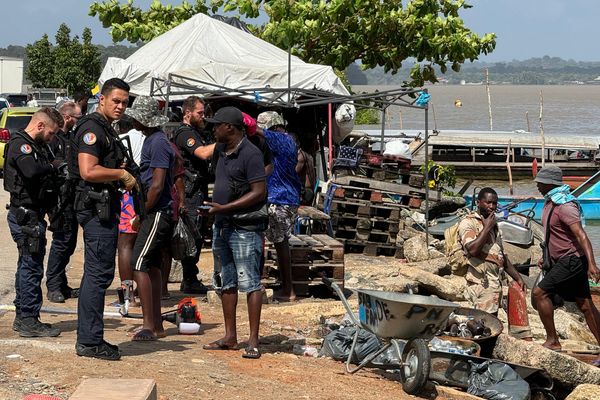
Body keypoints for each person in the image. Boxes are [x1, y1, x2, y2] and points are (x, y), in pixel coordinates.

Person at [70, 78, 137, 360]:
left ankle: (91, 337)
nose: (121, 106)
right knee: (97, 276)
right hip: (95, 208)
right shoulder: (91, 128)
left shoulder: (105, 128)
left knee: (98, 274)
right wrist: (119, 175)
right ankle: (89, 341)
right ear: (103, 100)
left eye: (125, 102)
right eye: (116, 101)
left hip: (104, 207)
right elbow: (88, 170)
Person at [203, 106, 266, 359]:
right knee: (225, 281)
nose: (213, 128)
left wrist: (225, 207)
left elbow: (259, 191)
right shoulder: (220, 150)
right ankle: (230, 336)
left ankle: (253, 340)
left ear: (229, 127)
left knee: (250, 283)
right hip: (222, 224)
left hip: (244, 227)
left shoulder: (251, 153)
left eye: (216, 124)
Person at [5, 107, 63, 337]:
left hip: (33, 213)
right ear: (40, 125)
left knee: (28, 266)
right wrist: (52, 167)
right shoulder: (21, 144)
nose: (52, 138)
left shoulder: (38, 146)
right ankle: (28, 319)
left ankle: (25, 316)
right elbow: (30, 171)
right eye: (50, 133)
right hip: (25, 215)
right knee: (31, 268)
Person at [532, 166, 600, 359]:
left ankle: (553, 340)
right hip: (561, 260)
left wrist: (592, 264)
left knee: (540, 293)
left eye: (540, 182)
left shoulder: (565, 206)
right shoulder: (550, 203)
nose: (537, 185)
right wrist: (546, 256)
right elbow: (553, 235)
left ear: (549, 183)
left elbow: (582, 236)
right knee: (585, 305)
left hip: (571, 261)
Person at [127, 96, 174, 341]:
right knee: (152, 266)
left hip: (157, 212)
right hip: (157, 211)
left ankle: (149, 325)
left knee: (139, 264)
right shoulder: (154, 140)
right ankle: (156, 323)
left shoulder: (157, 143)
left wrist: (141, 212)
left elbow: (156, 185)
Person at [457, 187, 530, 338]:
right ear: (478, 203)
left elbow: (501, 256)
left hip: (495, 283)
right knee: (480, 324)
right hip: (480, 282)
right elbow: (472, 250)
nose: (492, 207)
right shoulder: (468, 223)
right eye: (488, 203)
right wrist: (487, 227)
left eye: (495, 204)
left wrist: (517, 277)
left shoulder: (494, 225)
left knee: (493, 321)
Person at [255, 111, 302, 302]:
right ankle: (285, 287)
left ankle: (287, 289)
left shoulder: (280, 139)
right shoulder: (286, 140)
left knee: (279, 242)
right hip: (285, 197)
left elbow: (257, 131)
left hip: (279, 198)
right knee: (278, 241)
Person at [172, 96, 215, 294]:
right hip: (188, 193)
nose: (203, 116)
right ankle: (189, 279)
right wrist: (223, 141)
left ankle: (190, 277)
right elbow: (202, 154)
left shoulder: (196, 132)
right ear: (188, 113)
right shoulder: (184, 133)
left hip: (197, 190)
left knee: (196, 234)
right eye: (199, 113)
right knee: (191, 235)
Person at [45, 101, 83, 303]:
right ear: (67, 117)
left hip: (72, 197)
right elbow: (48, 162)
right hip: (59, 200)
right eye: (77, 118)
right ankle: (53, 286)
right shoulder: (53, 139)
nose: (79, 121)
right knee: (62, 242)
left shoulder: (70, 138)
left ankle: (61, 283)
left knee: (69, 243)